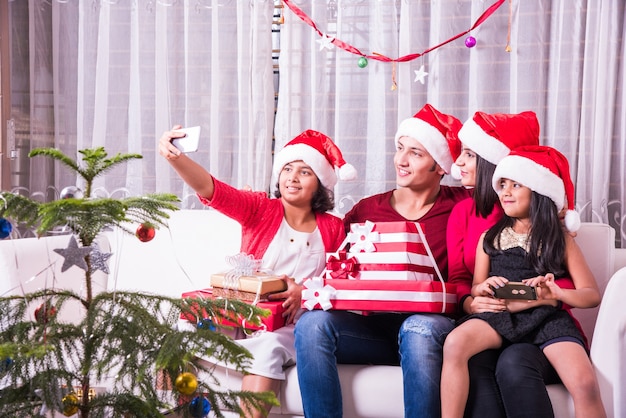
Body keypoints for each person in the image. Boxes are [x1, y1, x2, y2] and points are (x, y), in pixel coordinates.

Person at [158, 128, 354, 418]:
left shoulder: (334, 227)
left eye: (305, 172)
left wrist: (305, 292)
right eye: (288, 168)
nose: (293, 177)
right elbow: (213, 189)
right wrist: (176, 158)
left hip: (290, 326)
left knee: (267, 347)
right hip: (241, 316)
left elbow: (342, 281)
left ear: (321, 184)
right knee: (179, 337)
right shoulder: (260, 208)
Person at [294, 103, 472, 418]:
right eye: (400, 148)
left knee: (418, 329)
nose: (401, 160)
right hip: (371, 329)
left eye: (416, 153)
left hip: (429, 327)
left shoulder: (464, 206)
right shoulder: (366, 210)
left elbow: (514, 205)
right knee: (311, 325)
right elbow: (331, 259)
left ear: (441, 166)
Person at [441, 145, 606, 418]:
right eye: (502, 184)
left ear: (539, 191)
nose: (505, 192)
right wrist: (480, 289)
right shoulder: (489, 237)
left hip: (547, 319)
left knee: (585, 384)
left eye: (516, 185)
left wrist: (556, 293)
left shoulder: (560, 239)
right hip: (501, 315)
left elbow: (591, 294)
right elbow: (475, 286)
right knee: (455, 344)